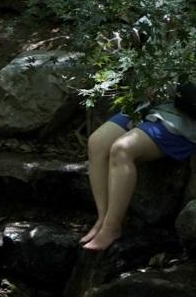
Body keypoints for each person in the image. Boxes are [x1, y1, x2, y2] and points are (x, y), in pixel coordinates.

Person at [82, 84, 196, 252]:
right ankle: (103, 218)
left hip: (183, 114)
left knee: (122, 149)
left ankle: (112, 227)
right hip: (149, 105)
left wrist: (170, 87)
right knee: (97, 142)